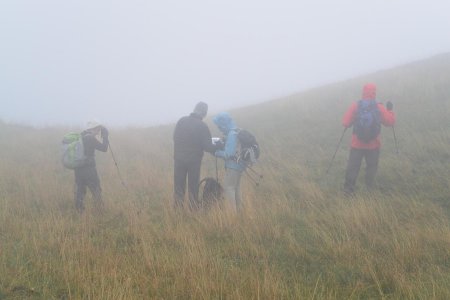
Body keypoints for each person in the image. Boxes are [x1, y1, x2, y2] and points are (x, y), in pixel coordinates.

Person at [342, 83, 396, 195]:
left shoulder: (356, 105)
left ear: (363, 92)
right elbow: (390, 122)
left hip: (357, 144)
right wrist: (390, 110)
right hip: (373, 144)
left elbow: (345, 123)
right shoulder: (379, 106)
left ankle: (348, 191)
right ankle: (369, 190)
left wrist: (353, 121)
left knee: (353, 167)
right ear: (374, 93)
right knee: (371, 167)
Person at [173, 102, 217, 210]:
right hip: (194, 162)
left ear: (194, 109)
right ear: (204, 113)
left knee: (179, 187)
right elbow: (208, 147)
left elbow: (174, 137)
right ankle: (193, 211)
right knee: (193, 187)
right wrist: (218, 146)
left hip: (179, 159)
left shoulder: (181, 121)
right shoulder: (202, 126)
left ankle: (177, 212)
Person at [213, 112, 247, 212]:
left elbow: (228, 154)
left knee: (229, 188)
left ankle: (232, 214)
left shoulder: (232, 135)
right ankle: (239, 212)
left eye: (219, 126)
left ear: (224, 124)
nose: (219, 128)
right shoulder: (236, 131)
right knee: (235, 188)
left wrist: (216, 152)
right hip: (240, 165)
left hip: (233, 166)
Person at [74, 120, 109, 212]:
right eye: (98, 129)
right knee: (96, 189)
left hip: (78, 169)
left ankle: (79, 212)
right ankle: (100, 212)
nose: (98, 132)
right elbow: (104, 148)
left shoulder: (80, 136)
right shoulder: (90, 138)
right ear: (93, 128)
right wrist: (105, 136)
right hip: (89, 170)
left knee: (80, 190)